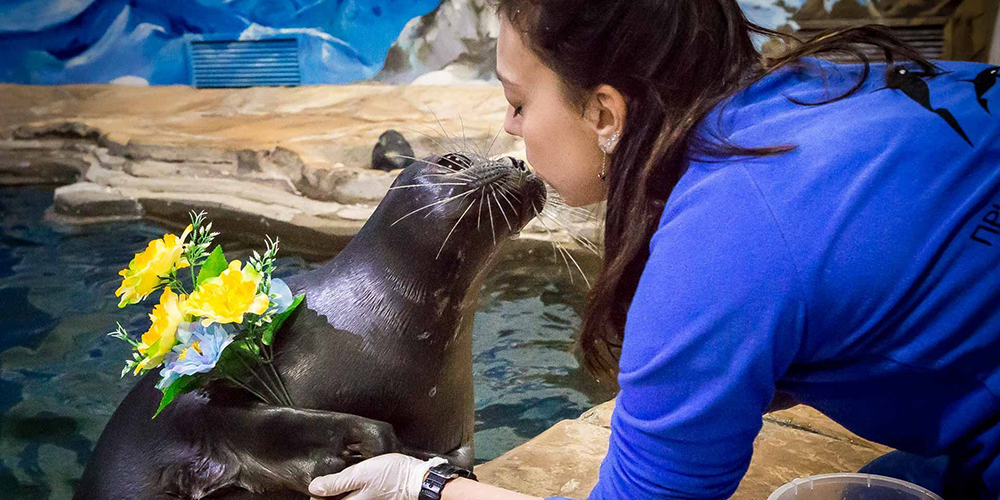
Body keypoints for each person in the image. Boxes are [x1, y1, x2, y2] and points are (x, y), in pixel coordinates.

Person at [308, 1, 1000, 499]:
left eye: (518, 102)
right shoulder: (822, 87)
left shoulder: (719, 244)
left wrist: (424, 486)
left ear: (604, 113)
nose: (509, 126)